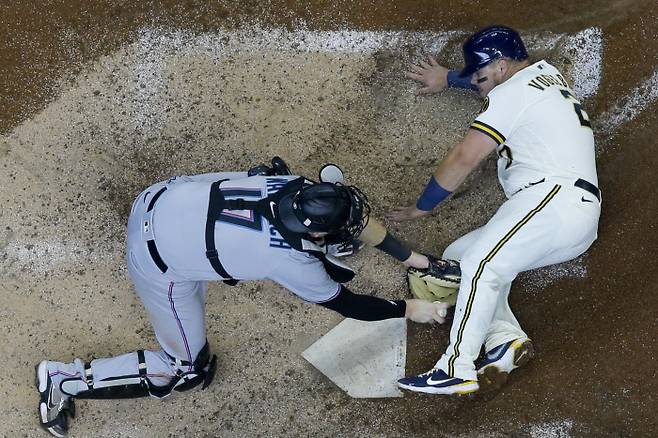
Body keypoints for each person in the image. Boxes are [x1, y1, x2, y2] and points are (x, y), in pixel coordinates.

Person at [36, 159, 448, 437]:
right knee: (186, 370)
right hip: (156, 259)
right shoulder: (289, 262)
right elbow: (349, 304)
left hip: (160, 198)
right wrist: (410, 309)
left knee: (248, 201)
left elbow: (350, 224)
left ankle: (216, 256)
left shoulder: (295, 186)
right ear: (316, 232)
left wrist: (416, 260)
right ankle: (61, 379)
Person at [389, 26, 601, 395]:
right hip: (569, 217)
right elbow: (493, 83)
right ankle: (505, 342)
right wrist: (449, 79)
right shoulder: (544, 75)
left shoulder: (511, 93)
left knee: (481, 266)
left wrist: (423, 208)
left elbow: (464, 157)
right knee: (463, 255)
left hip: (553, 200)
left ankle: (455, 367)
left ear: (501, 67)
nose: (477, 84)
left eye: (481, 75)